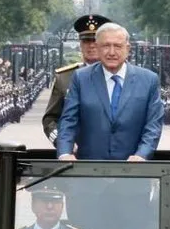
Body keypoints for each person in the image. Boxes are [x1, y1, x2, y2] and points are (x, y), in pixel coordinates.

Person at [56, 22, 164, 161]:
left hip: (135, 172)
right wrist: (64, 153)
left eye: (118, 46)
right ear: (98, 47)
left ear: (128, 48)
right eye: (106, 46)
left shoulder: (149, 80)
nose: (112, 52)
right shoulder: (81, 78)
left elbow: (153, 125)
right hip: (89, 170)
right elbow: (68, 120)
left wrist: (141, 155)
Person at [43, 14, 109, 144]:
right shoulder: (65, 77)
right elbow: (50, 119)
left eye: (95, 41)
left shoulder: (118, 75)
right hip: (75, 153)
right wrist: (62, 142)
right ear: (80, 45)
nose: (91, 46)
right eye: (86, 41)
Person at [14, 184, 89, 229]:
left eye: (55, 201)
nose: (49, 207)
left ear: (62, 206)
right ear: (33, 205)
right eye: (44, 201)